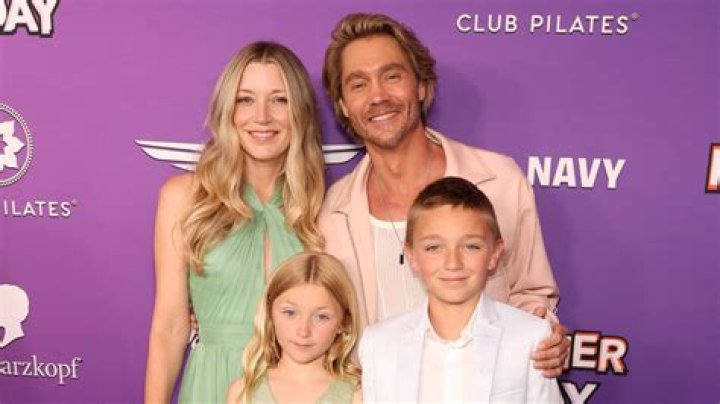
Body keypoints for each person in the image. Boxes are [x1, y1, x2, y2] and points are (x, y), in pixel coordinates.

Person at [319, 12, 569, 375]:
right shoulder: (331, 213)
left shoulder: (498, 182)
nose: (378, 96)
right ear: (343, 105)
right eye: (358, 84)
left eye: (392, 76)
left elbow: (532, 294)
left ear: (420, 86)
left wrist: (543, 337)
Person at [145, 41, 325, 403]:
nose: (262, 116)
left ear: (300, 111)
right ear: (227, 109)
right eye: (246, 100)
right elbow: (170, 327)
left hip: (299, 390)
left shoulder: (320, 204)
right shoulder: (184, 197)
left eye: (280, 100)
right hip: (211, 383)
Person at [359, 177, 563, 402]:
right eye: (434, 247)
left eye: (471, 246)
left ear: (494, 254)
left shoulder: (530, 338)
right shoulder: (379, 343)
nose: (453, 263)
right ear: (411, 255)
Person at [227, 252, 362, 403]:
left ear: (344, 323)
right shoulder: (243, 393)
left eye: (321, 317)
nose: (303, 331)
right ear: (269, 312)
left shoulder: (356, 395)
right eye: (290, 313)